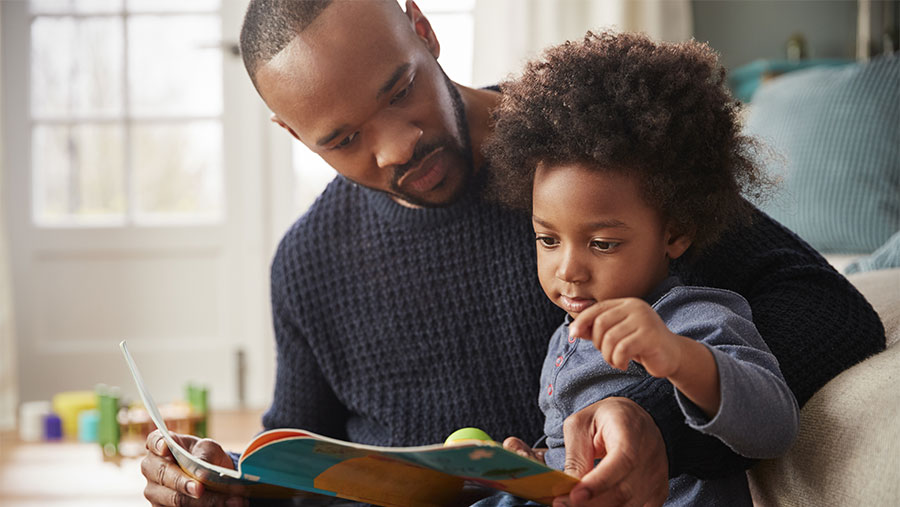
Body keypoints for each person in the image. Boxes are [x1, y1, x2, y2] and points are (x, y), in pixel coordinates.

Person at [139, 1, 885, 506]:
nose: (398, 142)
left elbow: (830, 310)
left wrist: (653, 415)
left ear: (422, 29)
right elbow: (298, 451)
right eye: (342, 137)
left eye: (400, 88)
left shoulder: (586, 160)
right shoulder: (306, 265)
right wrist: (224, 480)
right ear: (293, 134)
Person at [482, 31, 799, 506]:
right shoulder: (563, 342)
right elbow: (579, 461)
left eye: (603, 244)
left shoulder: (695, 318)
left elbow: (776, 426)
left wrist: (677, 356)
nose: (568, 269)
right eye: (547, 239)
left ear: (675, 233)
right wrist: (535, 463)